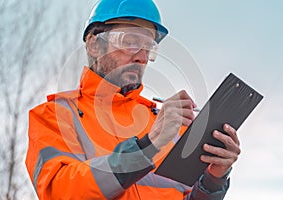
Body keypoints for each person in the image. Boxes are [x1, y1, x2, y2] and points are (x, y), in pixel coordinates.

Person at [25, 0, 241, 199]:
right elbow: (59, 191)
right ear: (94, 44)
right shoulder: (54, 116)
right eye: (130, 42)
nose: (142, 57)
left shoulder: (169, 125)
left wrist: (215, 178)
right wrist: (147, 147)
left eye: (149, 47)